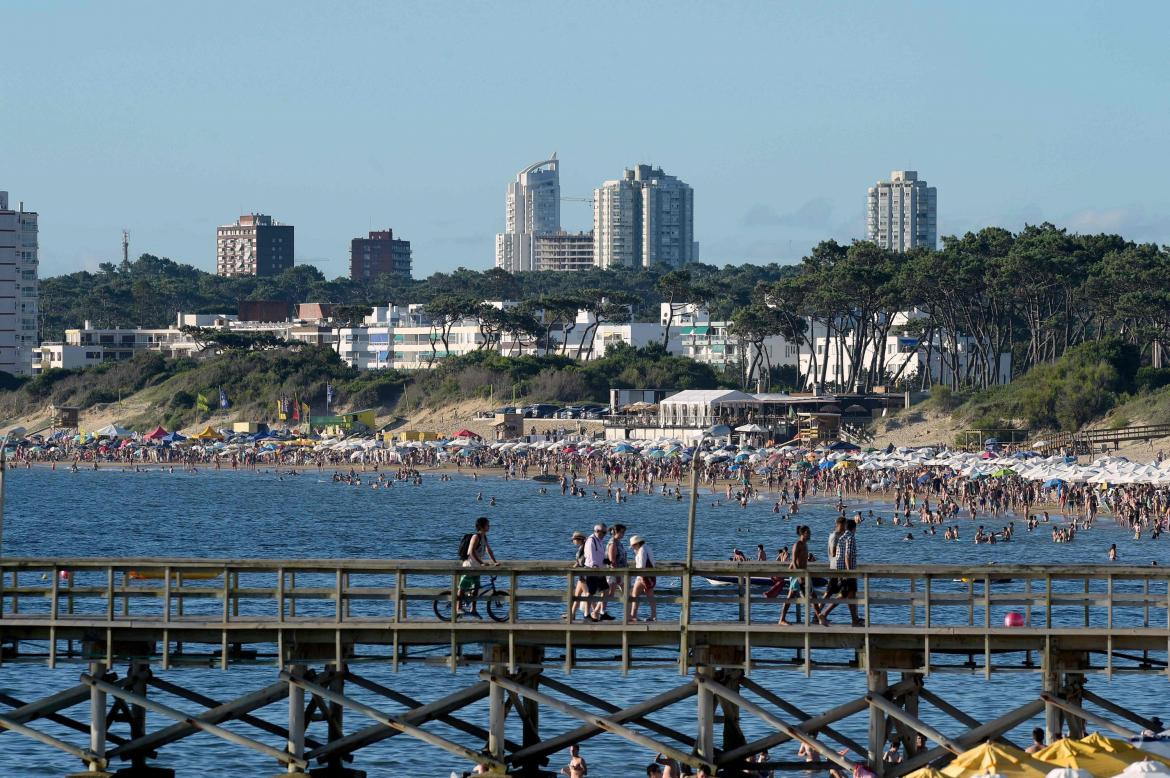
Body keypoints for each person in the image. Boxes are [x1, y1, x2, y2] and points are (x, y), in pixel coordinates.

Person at [779, 525, 819, 625]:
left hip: (803, 574)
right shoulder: (798, 545)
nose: (810, 534)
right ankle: (782, 619)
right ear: (803, 533)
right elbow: (794, 561)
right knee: (792, 597)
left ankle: (819, 617)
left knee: (812, 595)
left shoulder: (805, 545)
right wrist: (799, 575)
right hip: (798, 575)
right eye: (808, 532)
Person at [460, 516, 498, 618]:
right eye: (487, 525)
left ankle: (473, 609)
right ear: (481, 526)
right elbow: (470, 552)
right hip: (469, 566)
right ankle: (457, 607)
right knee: (463, 586)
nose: (489, 526)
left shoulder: (484, 537)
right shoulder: (475, 537)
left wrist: (495, 562)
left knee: (476, 588)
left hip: (476, 567)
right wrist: (481, 562)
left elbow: (488, 550)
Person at [583, 524, 612, 621]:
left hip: (600, 570)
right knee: (591, 592)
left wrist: (606, 560)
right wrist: (594, 565)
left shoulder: (600, 541)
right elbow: (590, 555)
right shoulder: (591, 540)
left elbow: (600, 554)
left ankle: (602, 612)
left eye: (606, 532)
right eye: (603, 532)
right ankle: (587, 614)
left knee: (606, 590)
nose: (604, 534)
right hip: (592, 569)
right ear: (597, 531)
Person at [629, 535, 657, 622]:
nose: (633, 547)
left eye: (633, 545)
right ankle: (653, 615)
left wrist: (641, 578)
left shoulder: (641, 550)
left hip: (644, 575)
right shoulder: (646, 547)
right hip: (650, 575)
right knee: (649, 596)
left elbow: (641, 565)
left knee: (635, 595)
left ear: (637, 543)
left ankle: (634, 615)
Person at [607, 524, 629, 602]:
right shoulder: (612, 543)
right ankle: (596, 612)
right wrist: (617, 575)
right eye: (622, 532)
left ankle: (629, 613)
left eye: (624, 532)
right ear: (616, 532)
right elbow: (612, 561)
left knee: (626, 593)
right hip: (614, 573)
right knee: (610, 594)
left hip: (621, 571)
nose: (623, 534)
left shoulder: (618, 542)